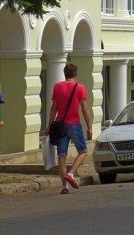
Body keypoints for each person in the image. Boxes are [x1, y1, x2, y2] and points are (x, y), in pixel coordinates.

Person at [45, 63, 92, 195]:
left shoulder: (57, 86)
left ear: (64, 73)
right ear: (75, 74)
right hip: (74, 124)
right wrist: (89, 127)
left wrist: (49, 126)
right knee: (83, 151)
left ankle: (64, 186)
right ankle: (71, 174)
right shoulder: (80, 87)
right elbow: (85, 109)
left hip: (60, 125)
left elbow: (53, 108)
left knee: (61, 156)